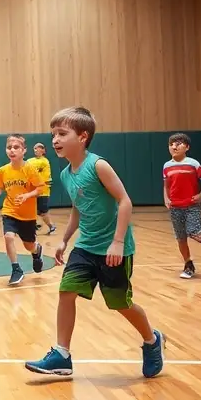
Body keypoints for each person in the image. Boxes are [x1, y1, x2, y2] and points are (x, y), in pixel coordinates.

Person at [25, 106, 164, 379]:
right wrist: (65, 240)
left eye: (62, 133)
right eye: (53, 134)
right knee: (67, 291)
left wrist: (118, 242)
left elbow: (125, 201)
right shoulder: (66, 174)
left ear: (83, 136)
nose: (55, 139)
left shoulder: (98, 165)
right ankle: (61, 355)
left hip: (113, 248)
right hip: (86, 246)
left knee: (120, 304)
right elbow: (79, 208)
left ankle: (152, 340)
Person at [0, 134, 44, 285]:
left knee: (29, 245)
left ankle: (36, 251)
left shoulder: (30, 169)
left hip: (27, 215)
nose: (12, 150)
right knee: (8, 237)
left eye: (16, 147)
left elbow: (40, 189)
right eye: (9, 147)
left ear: (24, 150)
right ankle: (16, 269)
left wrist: (27, 196)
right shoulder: (3, 170)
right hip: (10, 210)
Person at [163, 133, 201, 279]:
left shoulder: (193, 163)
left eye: (178, 143)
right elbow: (166, 185)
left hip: (191, 205)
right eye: (171, 144)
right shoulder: (166, 166)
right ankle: (188, 264)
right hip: (175, 206)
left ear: (187, 147)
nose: (174, 146)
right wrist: (166, 198)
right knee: (181, 238)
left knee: (192, 231)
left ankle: (199, 232)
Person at [26, 141, 56, 235]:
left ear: (43, 150)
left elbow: (43, 177)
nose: (36, 150)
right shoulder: (30, 161)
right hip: (33, 190)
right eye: (35, 148)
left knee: (43, 211)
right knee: (33, 209)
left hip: (43, 191)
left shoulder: (44, 162)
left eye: (38, 148)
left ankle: (51, 226)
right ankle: (34, 225)